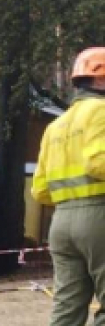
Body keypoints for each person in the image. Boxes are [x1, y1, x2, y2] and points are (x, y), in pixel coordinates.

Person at [32, 47, 105, 326]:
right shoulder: (101, 111)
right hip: (99, 217)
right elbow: (98, 163)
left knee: (67, 308)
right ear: (99, 80)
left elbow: (40, 190)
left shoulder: (56, 125)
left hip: (61, 222)